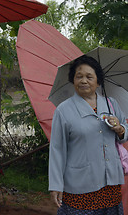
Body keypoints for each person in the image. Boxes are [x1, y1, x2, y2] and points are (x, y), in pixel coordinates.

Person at [49, 55, 128, 214]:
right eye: (79, 76)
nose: (83, 80)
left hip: (111, 184)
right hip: (80, 186)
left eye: (89, 77)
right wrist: (56, 184)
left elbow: (125, 131)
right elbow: (57, 149)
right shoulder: (64, 110)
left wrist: (121, 130)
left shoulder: (111, 104)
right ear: (73, 80)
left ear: (98, 81)